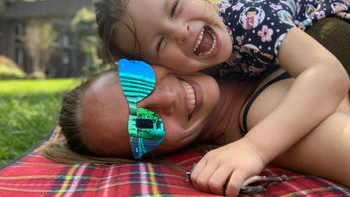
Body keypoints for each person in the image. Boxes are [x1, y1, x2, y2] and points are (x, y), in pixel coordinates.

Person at [93, 0, 350, 194]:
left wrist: (254, 147)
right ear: (155, 61)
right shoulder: (212, 57)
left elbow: (327, 73)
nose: (180, 31)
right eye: (143, 126)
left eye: (139, 81)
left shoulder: (251, 21)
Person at [43, 56, 350, 196]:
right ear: (156, 155)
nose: (165, 99)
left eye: (138, 81)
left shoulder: (242, 50)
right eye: (144, 126)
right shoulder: (269, 121)